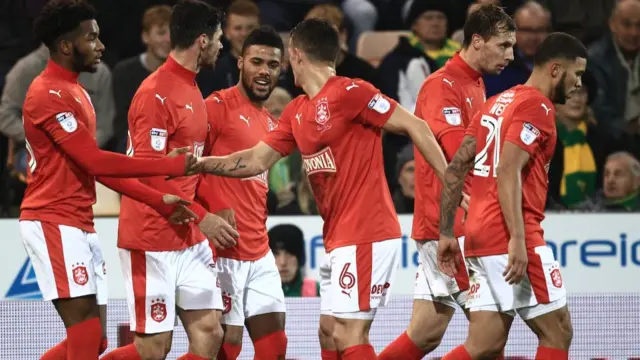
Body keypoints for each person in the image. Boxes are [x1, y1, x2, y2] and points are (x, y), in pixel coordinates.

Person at [198, 18, 452, 360]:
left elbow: (415, 126)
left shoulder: (351, 92)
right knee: (329, 333)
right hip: (337, 238)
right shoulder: (297, 111)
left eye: (284, 59)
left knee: (349, 333)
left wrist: (450, 180)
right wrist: (200, 164)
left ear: (297, 55)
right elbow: (256, 161)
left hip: (367, 232)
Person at [19, 1, 204, 359]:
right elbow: (94, 159)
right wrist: (166, 166)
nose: (101, 45)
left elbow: (97, 170)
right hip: (52, 220)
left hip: (78, 221)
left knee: (95, 341)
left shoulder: (78, 93)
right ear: (66, 45)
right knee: (86, 336)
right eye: (92, 37)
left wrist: (155, 200)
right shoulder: (47, 94)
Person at [101, 1, 239, 359]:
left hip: (187, 236)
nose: (224, 46)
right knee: (154, 348)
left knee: (210, 333)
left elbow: (189, 168)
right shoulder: (154, 93)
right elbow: (147, 172)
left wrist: (211, 207)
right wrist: (202, 215)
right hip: (150, 238)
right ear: (203, 40)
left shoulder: (192, 89)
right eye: (220, 38)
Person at [437, 32, 586, 360]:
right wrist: (517, 239)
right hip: (510, 235)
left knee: (484, 345)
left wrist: (447, 231)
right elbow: (508, 170)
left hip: (476, 234)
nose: (578, 85)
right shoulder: (538, 106)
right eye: (577, 74)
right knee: (557, 332)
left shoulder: (495, 102)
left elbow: (456, 166)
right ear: (557, 70)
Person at [379, 4, 516, 359]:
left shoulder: (475, 82)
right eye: (503, 46)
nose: (511, 55)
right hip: (454, 228)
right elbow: (457, 152)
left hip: (449, 224)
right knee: (489, 341)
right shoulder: (442, 85)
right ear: (476, 40)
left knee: (425, 333)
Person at [202, 26, 287, 360]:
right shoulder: (215, 107)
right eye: (257, 61)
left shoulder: (271, 123)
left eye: (272, 64)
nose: (264, 70)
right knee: (226, 348)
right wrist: (212, 207)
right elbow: (186, 170)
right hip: (222, 251)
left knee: (275, 347)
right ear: (240, 63)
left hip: (259, 249)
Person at [111, 5, 172, 153]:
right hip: (134, 150)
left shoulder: (185, 73)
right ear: (145, 37)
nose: (168, 39)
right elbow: (122, 125)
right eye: (161, 33)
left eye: (172, 33)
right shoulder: (124, 72)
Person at [268, 223, 320, 297]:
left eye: (289, 254)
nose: (283, 262)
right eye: (276, 254)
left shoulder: (316, 291)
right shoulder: (257, 292)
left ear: (300, 258)